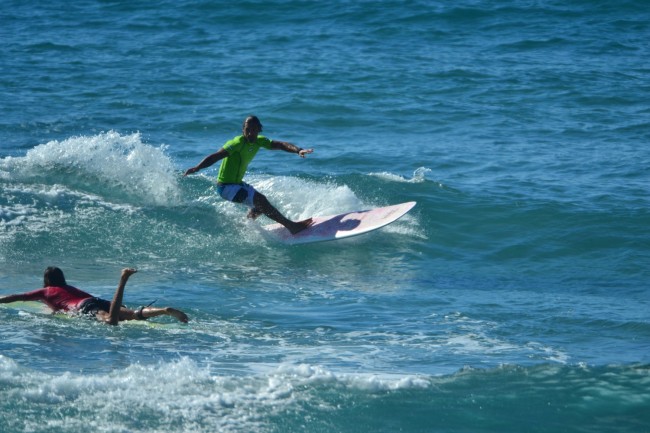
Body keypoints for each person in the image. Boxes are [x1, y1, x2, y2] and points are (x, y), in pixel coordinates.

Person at [184, 115, 314, 234]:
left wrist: (298, 150)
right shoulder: (236, 143)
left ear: (259, 130)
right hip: (225, 187)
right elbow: (215, 156)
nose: (250, 133)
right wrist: (197, 168)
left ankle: (245, 225)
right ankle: (292, 227)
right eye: (247, 129)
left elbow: (280, 145)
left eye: (254, 130)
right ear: (243, 130)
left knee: (259, 206)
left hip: (237, 184)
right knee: (260, 201)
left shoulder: (259, 141)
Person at [0, 267, 188, 325]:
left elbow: (17, 297)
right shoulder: (68, 287)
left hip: (83, 307)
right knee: (133, 315)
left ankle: (122, 280)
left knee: (110, 322)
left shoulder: (45, 291)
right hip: (93, 299)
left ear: (47, 280)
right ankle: (164, 310)